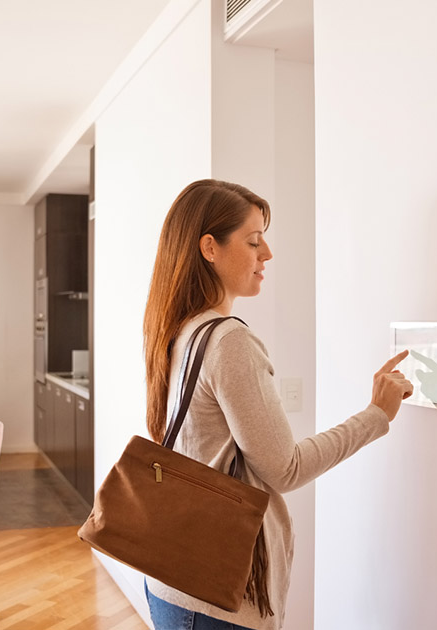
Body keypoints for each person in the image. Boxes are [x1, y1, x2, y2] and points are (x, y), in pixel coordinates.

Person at [142, 179, 414, 630]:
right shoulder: (229, 341)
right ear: (209, 247)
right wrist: (376, 415)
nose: (266, 254)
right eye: (253, 241)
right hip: (216, 599)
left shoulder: (179, 331)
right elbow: (284, 469)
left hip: (170, 580)